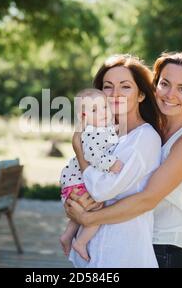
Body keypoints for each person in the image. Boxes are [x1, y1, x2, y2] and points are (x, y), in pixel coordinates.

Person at [66, 51, 182, 268]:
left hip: (167, 250)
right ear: (154, 85)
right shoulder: (149, 129)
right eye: (165, 83)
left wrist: (87, 219)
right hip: (137, 241)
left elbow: (147, 199)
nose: (170, 94)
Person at [67, 54, 164, 268]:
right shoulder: (104, 134)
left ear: (141, 95)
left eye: (125, 87)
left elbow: (101, 190)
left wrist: (79, 151)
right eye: (108, 87)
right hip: (91, 252)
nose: (115, 94)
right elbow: (80, 186)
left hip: (122, 252)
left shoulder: (145, 138)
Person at [59, 88, 123, 261]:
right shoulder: (91, 131)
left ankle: (67, 235)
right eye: (95, 110)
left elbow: (107, 138)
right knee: (97, 212)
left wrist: (115, 129)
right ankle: (80, 242)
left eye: (104, 107)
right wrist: (111, 164)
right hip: (77, 184)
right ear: (84, 116)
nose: (102, 112)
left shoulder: (101, 129)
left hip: (73, 183)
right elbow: (91, 154)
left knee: (84, 210)